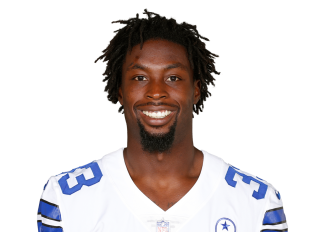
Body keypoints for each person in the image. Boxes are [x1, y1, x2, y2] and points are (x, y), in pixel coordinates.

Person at [36, 8, 288, 232]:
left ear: (196, 90)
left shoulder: (258, 204)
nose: (156, 92)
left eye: (174, 78)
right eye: (139, 78)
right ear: (120, 90)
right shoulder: (65, 199)